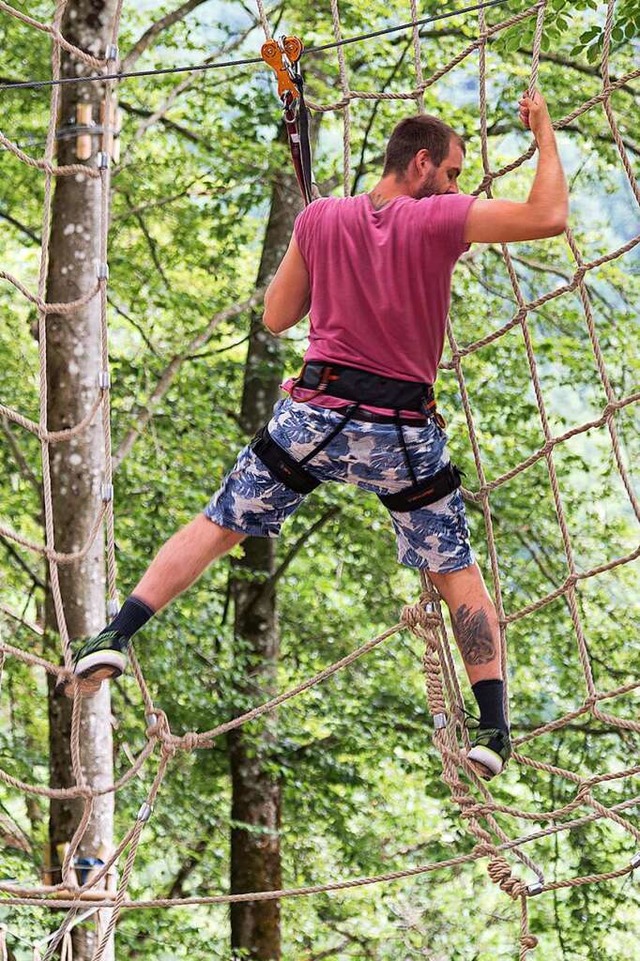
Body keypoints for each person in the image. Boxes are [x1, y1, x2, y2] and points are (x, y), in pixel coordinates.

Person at [63, 90, 568, 781]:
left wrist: (327, 254)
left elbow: (276, 316)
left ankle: (116, 634)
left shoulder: (322, 218)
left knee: (220, 523)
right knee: (456, 570)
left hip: (316, 417)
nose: (457, 186)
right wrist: (543, 133)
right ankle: (494, 728)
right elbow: (549, 217)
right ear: (420, 164)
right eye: (451, 172)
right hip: (399, 430)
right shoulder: (438, 218)